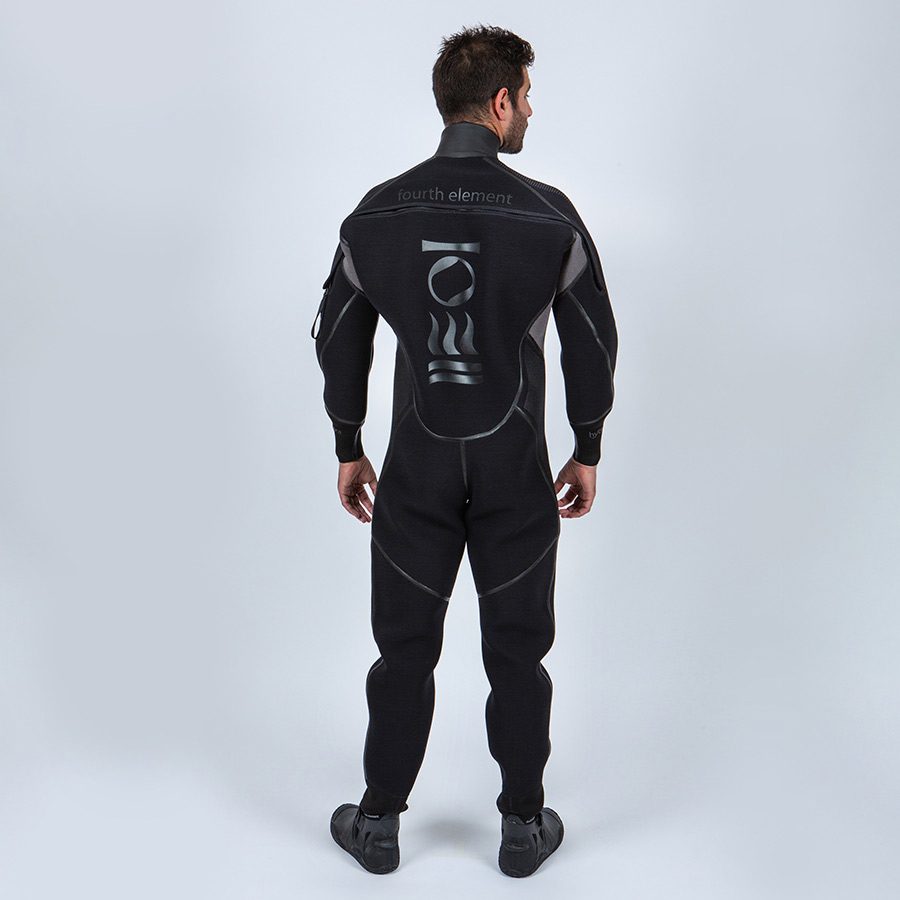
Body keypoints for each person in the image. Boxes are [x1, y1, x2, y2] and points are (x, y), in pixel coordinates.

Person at [312, 24, 618, 877]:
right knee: (517, 649)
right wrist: (586, 445)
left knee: (404, 647)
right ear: (501, 101)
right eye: (528, 98)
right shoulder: (549, 215)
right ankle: (522, 828)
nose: (531, 114)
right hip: (516, 463)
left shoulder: (376, 213)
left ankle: (378, 823)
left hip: (415, 463)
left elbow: (338, 338)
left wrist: (349, 443)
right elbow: (594, 340)